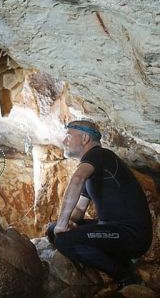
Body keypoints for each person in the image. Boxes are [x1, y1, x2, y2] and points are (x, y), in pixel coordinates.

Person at [46, 120, 152, 288]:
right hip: (112, 230)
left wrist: (62, 224)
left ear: (85, 138)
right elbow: (80, 208)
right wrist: (70, 222)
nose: (64, 141)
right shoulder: (95, 166)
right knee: (52, 230)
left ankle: (126, 275)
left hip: (131, 235)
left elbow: (77, 179)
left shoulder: (99, 155)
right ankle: (117, 264)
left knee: (64, 240)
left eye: (68, 136)